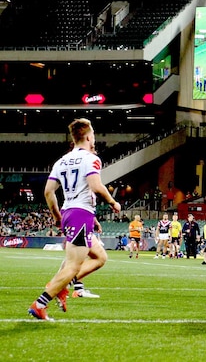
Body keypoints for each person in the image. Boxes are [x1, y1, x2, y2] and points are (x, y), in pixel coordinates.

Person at [29, 118, 122, 320]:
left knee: (100, 257)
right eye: (94, 135)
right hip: (80, 215)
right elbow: (96, 186)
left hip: (73, 213)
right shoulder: (91, 159)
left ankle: (62, 286)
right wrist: (113, 202)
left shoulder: (61, 161)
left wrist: (57, 216)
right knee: (73, 266)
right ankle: (41, 303)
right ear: (89, 137)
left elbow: (48, 192)